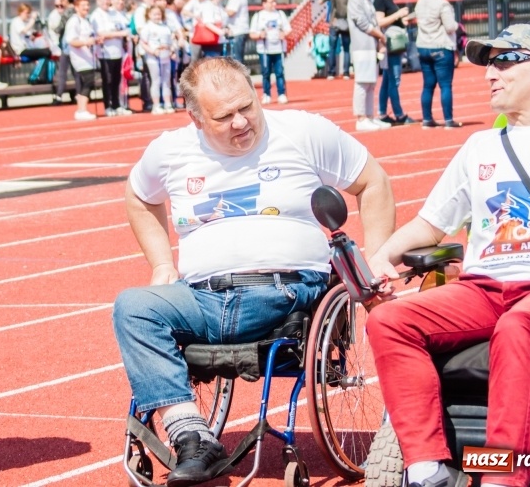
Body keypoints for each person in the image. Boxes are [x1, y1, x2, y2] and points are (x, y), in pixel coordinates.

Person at [112, 56, 395, 487]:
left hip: (284, 294)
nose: (241, 122)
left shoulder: (302, 131)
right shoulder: (170, 150)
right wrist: (161, 264)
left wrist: (375, 258)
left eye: (247, 106)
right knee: (133, 306)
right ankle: (190, 433)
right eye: (223, 116)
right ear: (195, 117)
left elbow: (372, 180)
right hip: (202, 299)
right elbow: (139, 196)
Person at [365, 24, 530, 487]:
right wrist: (382, 255)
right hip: (483, 286)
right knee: (389, 321)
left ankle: (504, 477)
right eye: (489, 64)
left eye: (506, 61)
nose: (491, 74)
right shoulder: (479, 145)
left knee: (516, 328)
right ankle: (428, 467)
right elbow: (431, 222)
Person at [414, 0, 461, 129]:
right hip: (441, 46)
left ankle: (427, 119)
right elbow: (449, 26)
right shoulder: (442, 3)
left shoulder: (420, 2)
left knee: (427, 85)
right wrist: (457, 25)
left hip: (423, 45)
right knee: (445, 85)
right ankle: (448, 120)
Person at [348, 0, 390, 131]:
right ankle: (361, 118)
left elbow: (372, 19)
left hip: (371, 45)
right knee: (362, 82)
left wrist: (378, 39)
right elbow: (362, 22)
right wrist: (380, 35)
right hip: (361, 46)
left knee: (371, 83)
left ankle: (370, 116)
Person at [374, 0, 417, 126]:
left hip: (394, 42)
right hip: (390, 44)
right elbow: (380, 21)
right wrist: (398, 15)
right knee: (394, 79)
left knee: (387, 80)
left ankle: (383, 112)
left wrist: (403, 20)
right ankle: (399, 114)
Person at [91, 0, 131, 117]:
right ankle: (107, 106)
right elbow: (101, 33)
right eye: (103, 0)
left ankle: (116, 104)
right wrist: (119, 34)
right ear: (98, 1)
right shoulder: (96, 15)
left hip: (117, 51)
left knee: (116, 80)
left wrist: (121, 34)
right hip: (105, 53)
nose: (106, 2)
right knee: (107, 80)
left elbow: (125, 28)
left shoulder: (114, 13)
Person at [249, 0, 291, 105]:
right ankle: (266, 94)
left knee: (280, 72)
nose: (274, 4)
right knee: (266, 73)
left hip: (278, 48)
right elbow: (252, 33)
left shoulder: (280, 14)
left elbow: (288, 29)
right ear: (264, 3)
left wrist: (284, 34)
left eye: (274, 1)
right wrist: (259, 35)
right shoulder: (258, 16)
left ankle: (281, 94)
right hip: (264, 49)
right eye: (271, 1)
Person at [63, 0, 100, 121]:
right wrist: (86, 41)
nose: (86, 8)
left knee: (88, 82)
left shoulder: (86, 20)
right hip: (80, 58)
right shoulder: (74, 21)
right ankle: (81, 109)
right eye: (83, 5)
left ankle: (82, 109)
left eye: (87, 5)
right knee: (88, 81)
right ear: (76, 7)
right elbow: (71, 41)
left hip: (89, 57)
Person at [139, 5, 175, 115]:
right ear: (149, 15)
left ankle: (167, 103)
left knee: (166, 81)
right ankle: (156, 105)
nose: (157, 16)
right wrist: (152, 51)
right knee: (156, 80)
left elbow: (170, 42)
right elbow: (142, 43)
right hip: (153, 58)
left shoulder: (165, 27)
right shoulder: (147, 27)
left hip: (165, 57)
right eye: (154, 14)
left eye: (159, 14)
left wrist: (172, 50)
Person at [320, 0, 353, 80]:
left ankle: (331, 72)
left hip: (334, 21)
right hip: (346, 20)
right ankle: (346, 72)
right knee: (347, 48)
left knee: (332, 48)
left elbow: (321, 1)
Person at [52, 0, 75, 106]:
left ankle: (59, 96)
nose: (61, 3)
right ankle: (79, 93)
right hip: (76, 45)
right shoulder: (76, 11)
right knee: (76, 71)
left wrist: (51, 28)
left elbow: (59, 28)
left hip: (67, 46)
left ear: (66, 0)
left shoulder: (67, 13)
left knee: (62, 72)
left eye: (62, 0)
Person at [222, 0, 249, 64]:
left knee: (237, 60)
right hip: (236, 31)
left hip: (238, 31)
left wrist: (221, 9)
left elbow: (231, 12)